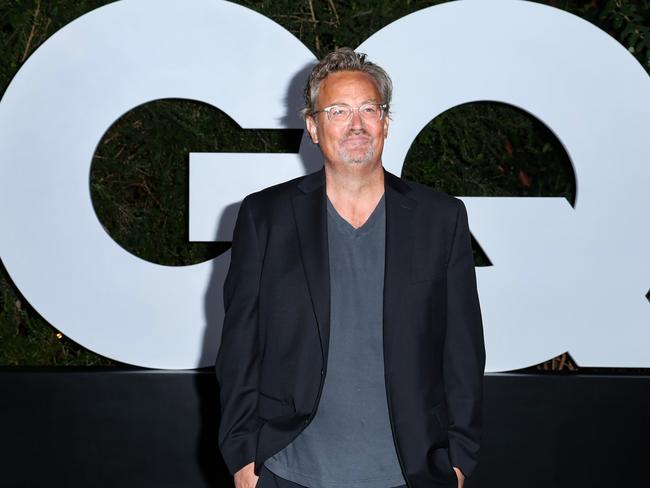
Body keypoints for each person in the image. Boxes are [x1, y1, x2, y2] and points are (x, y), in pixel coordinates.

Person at [215, 47, 485, 488]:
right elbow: (240, 347)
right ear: (313, 127)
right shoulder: (265, 216)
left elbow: (463, 349)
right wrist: (243, 455)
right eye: (338, 111)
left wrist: (459, 458)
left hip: (411, 472)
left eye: (368, 109)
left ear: (386, 122)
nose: (356, 124)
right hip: (288, 470)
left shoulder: (441, 218)